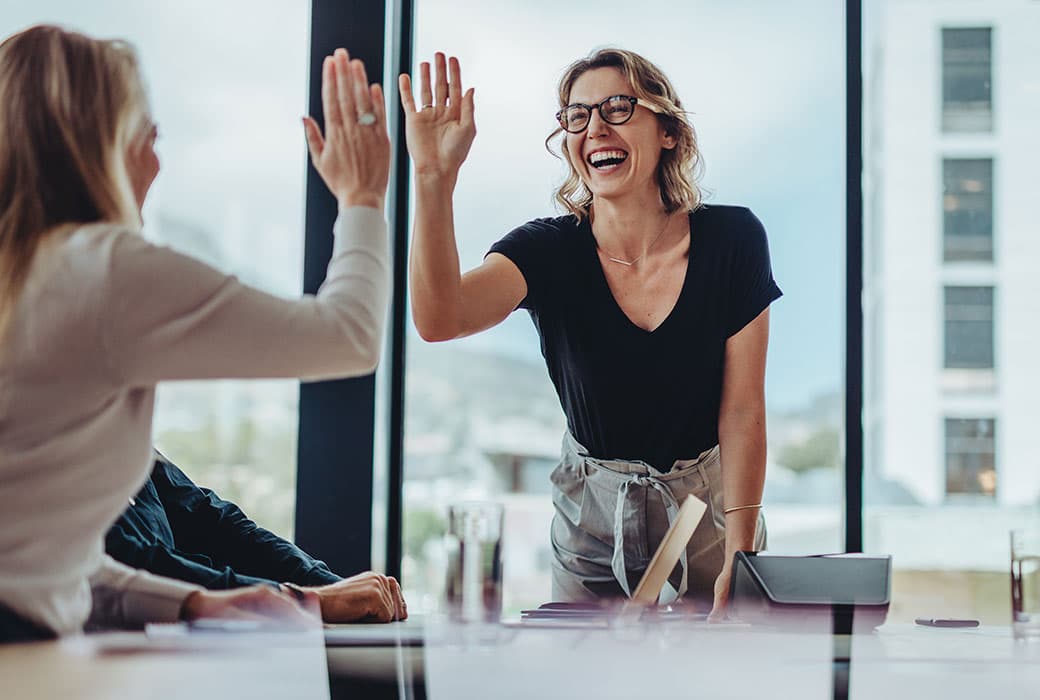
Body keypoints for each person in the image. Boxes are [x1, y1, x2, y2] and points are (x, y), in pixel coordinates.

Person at [0, 25, 392, 642]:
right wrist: (363, 196)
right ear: (96, 141)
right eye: (147, 134)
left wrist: (191, 603)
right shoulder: (100, 267)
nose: (157, 161)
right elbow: (350, 336)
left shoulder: (22, 276)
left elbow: (34, 564)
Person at [399, 49, 780, 618]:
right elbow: (439, 318)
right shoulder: (546, 250)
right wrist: (433, 179)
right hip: (592, 517)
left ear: (669, 131)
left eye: (617, 107)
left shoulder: (734, 239)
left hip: (712, 512)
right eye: (576, 116)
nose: (594, 126)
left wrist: (742, 549)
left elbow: (744, 409)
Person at [106, 452, 407, 623]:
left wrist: (327, 584)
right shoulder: (64, 432)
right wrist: (305, 600)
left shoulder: (120, 430)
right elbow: (125, 564)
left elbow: (212, 523)